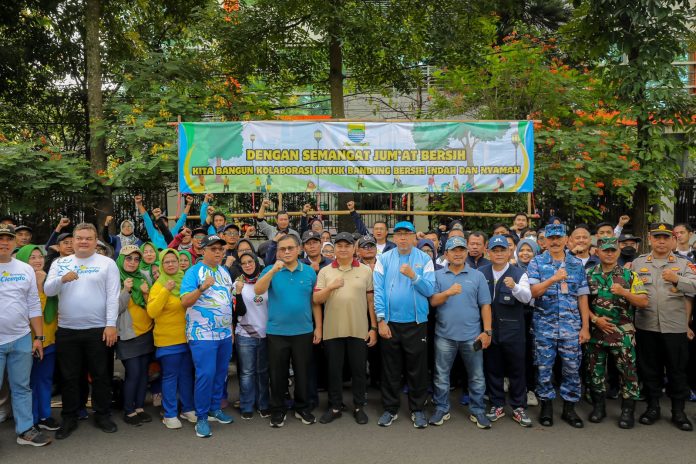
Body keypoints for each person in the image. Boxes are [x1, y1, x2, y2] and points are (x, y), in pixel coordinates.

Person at [44, 222, 121, 439]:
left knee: (101, 375)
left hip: (99, 330)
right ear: (73, 241)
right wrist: (62, 279)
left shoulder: (107, 263)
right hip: (68, 330)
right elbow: (48, 290)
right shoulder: (61, 263)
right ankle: (69, 417)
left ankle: (102, 414)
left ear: (95, 240)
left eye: (88, 238)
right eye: (79, 238)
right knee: (69, 377)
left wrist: (111, 324)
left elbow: (113, 296)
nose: (84, 242)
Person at [632, 223, 696, 431]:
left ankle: (678, 411)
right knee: (650, 369)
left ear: (673, 240)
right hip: (646, 326)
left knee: (677, 371)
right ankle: (653, 407)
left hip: (675, 327)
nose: (661, 241)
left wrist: (677, 279)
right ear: (650, 239)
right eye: (657, 237)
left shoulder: (684, 264)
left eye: (666, 237)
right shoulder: (637, 263)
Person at [254, 234, 322, 428]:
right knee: (277, 374)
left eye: (290, 248)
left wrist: (319, 327)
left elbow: (314, 302)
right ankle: (278, 410)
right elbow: (258, 290)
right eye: (282, 249)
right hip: (277, 332)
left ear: (299, 249)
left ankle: (302, 408)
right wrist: (273, 270)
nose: (286, 252)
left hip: (303, 331)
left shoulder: (309, 272)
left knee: (303, 373)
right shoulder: (270, 269)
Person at [527, 223, 590, 428]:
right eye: (550, 238)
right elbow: (534, 292)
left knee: (572, 367)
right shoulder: (537, 262)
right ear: (544, 241)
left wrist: (585, 327)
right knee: (544, 368)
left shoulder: (576, 264)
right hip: (544, 326)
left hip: (571, 327)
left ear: (566, 240)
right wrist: (553, 279)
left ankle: (569, 409)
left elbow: (582, 297)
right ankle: (546, 406)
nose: (554, 242)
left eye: (558, 238)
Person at [373, 221, 435, 428]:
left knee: (417, 369)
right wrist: (381, 320)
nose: (402, 238)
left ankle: (418, 410)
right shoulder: (384, 259)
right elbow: (378, 291)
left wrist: (414, 276)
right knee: (390, 369)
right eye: (398, 234)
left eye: (407, 234)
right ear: (394, 237)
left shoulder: (424, 259)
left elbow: (429, 290)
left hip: (416, 323)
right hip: (390, 323)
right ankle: (390, 409)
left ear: (413, 237)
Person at [428, 236, 492, 428]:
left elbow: (485, 306)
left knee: (477, 376)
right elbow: (433, 302)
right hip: (444, 335)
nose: (458, 253)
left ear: (466, 253)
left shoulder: (477, 276)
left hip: (472, 335)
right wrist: (447, 293)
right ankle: (441, 408)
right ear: (445, 254)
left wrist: (487, 331)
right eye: (453, 250)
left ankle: (478, 410)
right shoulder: (438, 276)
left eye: (461, 250)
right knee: (441, 375)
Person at [585, 237, 648, 429]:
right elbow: (580, 304)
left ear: (618, 252)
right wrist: (595, 319)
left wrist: (625, 293)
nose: (609, 253)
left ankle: (627, 411)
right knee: (595, 372)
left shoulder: (629, 276)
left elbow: (644, 302)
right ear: (598, 252)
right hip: (597, 332)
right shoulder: (588, 274)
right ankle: (599, 407)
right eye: (605, 250)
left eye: (613, 250)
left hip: (622, 333)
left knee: (628, 373)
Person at [314, 232, 376, 425]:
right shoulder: (325, 272)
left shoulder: (365, 270)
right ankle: (334, 406)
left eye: (347, 246)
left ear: (353, 248)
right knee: (334, 371)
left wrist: (373, 326)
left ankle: (359, 406)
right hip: (333, 330)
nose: (343, 249)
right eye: (339, 246)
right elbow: (316, 300)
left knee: (358, 371)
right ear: (334, 249)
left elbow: (370, 300)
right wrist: (331, 287)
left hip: (358, 329)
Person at [0, 226, 52, 446]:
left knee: (22, 386)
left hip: (21, 337)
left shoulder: (24, 269)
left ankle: (25, 431)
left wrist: (39, 338)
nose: (4, 242)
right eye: (0, 238)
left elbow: (33, 304)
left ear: (14, 243)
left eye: (8, 239)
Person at [180, 233, 235, 438]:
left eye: (221, 249)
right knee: (205, 374)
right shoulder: (193, 272)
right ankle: (201, 417)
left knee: (221, 373)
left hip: (223, 334)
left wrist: (230, 330)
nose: (218, 252)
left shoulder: (224, 271)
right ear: (203, 250)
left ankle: (214, 408)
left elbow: (228, 302)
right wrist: (202, 287)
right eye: (213, 249)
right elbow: (184, 302)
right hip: (201, 333)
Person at [479, 235, 533, 427]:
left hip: (513, 331)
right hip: (490, 330)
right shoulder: (481, 271)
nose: (499, 254)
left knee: (517, 369)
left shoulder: (518, 273)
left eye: (503, 250)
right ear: (489, 252)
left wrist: (515, 287)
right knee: (493, 368)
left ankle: (518, 407)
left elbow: (527, 298)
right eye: (495, 250)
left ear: (510, 252)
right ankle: (497, 404)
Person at [147, 248, 196, 429]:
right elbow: (152, 312)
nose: (170, 264)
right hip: (167, 340)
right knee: (170, 377)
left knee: (185, 376)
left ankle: (188, 408)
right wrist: (166, 291)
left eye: (173, 261)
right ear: (161, 265)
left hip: (188, 338)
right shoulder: (159, 285)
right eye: (166, 262)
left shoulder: (186, 281)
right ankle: (169, 413)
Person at [16, 245, 59, 432]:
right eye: (31, 257)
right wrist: (40, 287)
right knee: (29, 383)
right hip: (30, 341)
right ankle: (30, 420)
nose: (37, 260)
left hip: (50, 340)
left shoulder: (48, 279)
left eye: (40, 256)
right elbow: (33, 314)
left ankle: (44, 415)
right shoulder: (21, 284)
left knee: (45, 379)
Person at [115, 245, 154, 426]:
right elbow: (114, 310)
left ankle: (139, 407)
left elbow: (151, 304)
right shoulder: (115, 279)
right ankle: (128, 410)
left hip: (146, 332)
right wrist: (126, 291)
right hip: (127, 335)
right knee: (134, 373)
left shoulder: (144, 276)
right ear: (122, 260)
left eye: (136, 259)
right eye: (128, 259)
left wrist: (146, 293)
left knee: (144, 374)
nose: (132, 262)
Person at [233, 251, 270, 420]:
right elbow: (239, 312)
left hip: (264, 334)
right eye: (244, 263)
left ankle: (263, 404)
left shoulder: (266, 281)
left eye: (250, 261)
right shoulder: (237, 284)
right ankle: (246, 405)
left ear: (256, 262)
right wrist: (239, 293)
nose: (248, 265)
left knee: (262, 372)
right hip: (245, 335)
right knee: (247, 372)